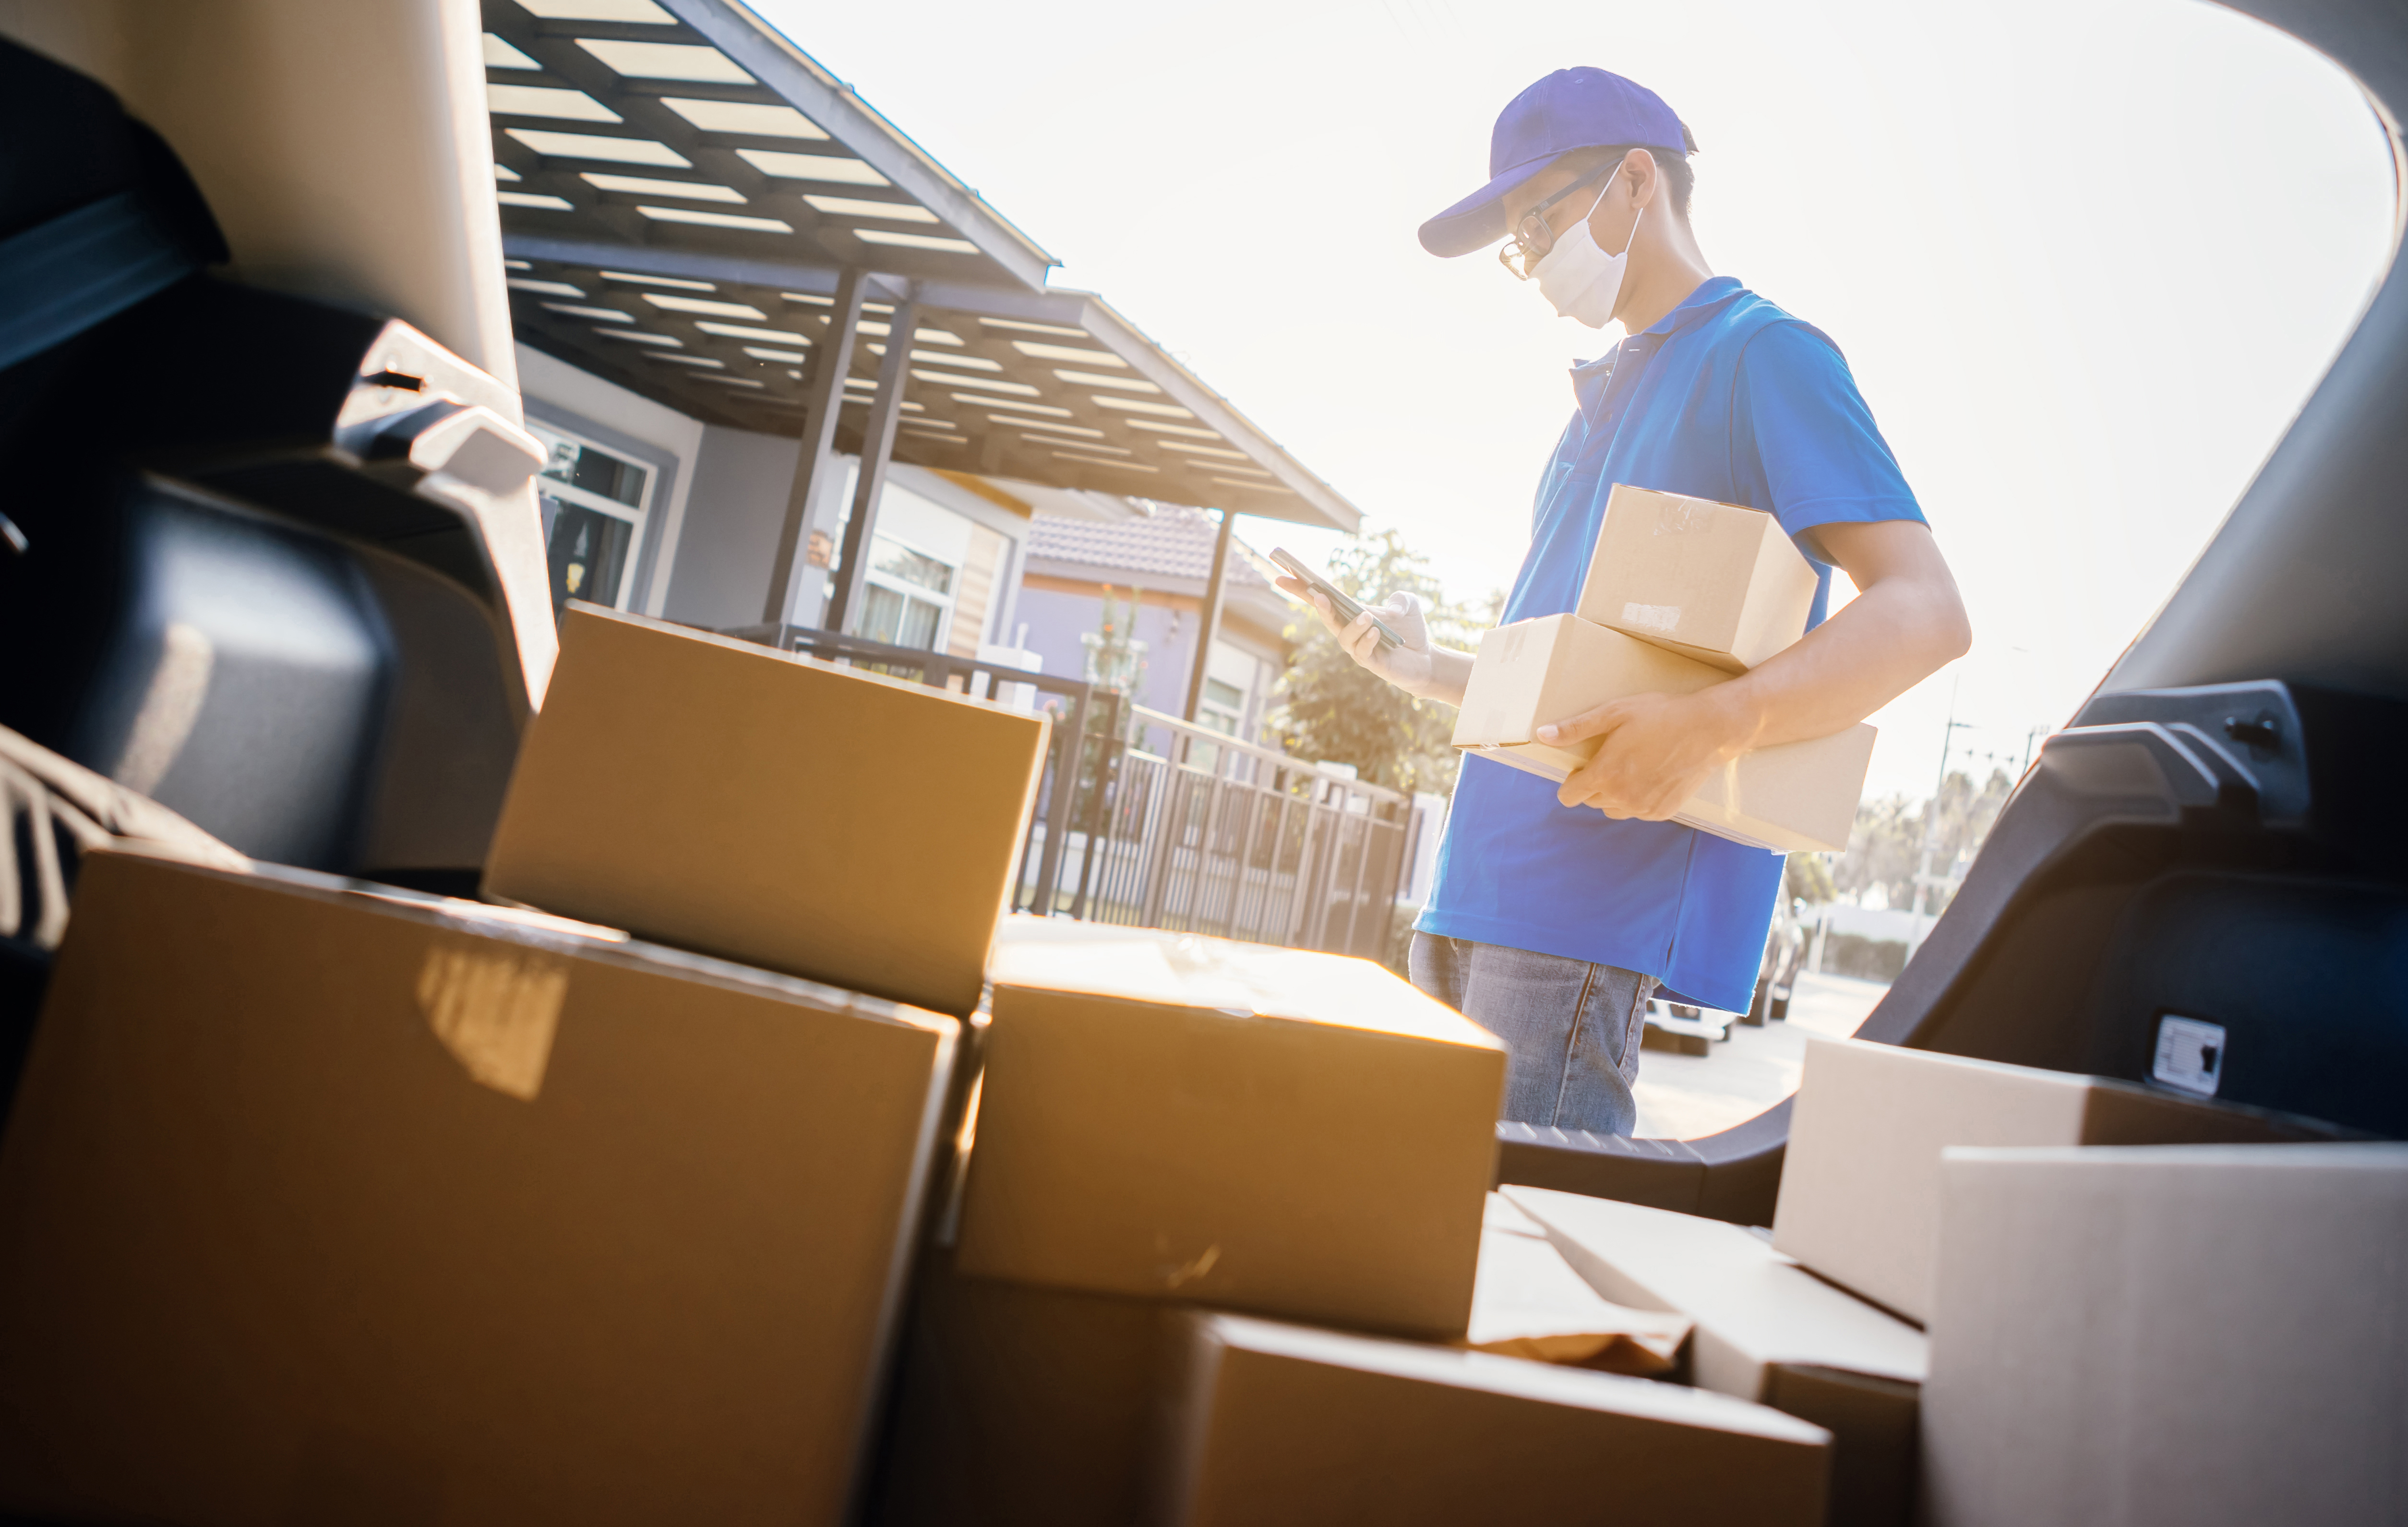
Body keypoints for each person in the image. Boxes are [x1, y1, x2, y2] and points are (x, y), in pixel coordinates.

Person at [1276, 68, 1970, 1136]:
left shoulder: (1762, 356)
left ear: (1636, 181)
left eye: (1538, 220)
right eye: (1520, 243)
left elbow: (1923, 611)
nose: (1532, 264)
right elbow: (1566, 689)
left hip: (1583, 915)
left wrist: (1718, 723)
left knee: (1510, 1264)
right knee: (1420, 1236)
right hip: (1468, 892)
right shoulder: (1598, 403)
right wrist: (1415, 669)